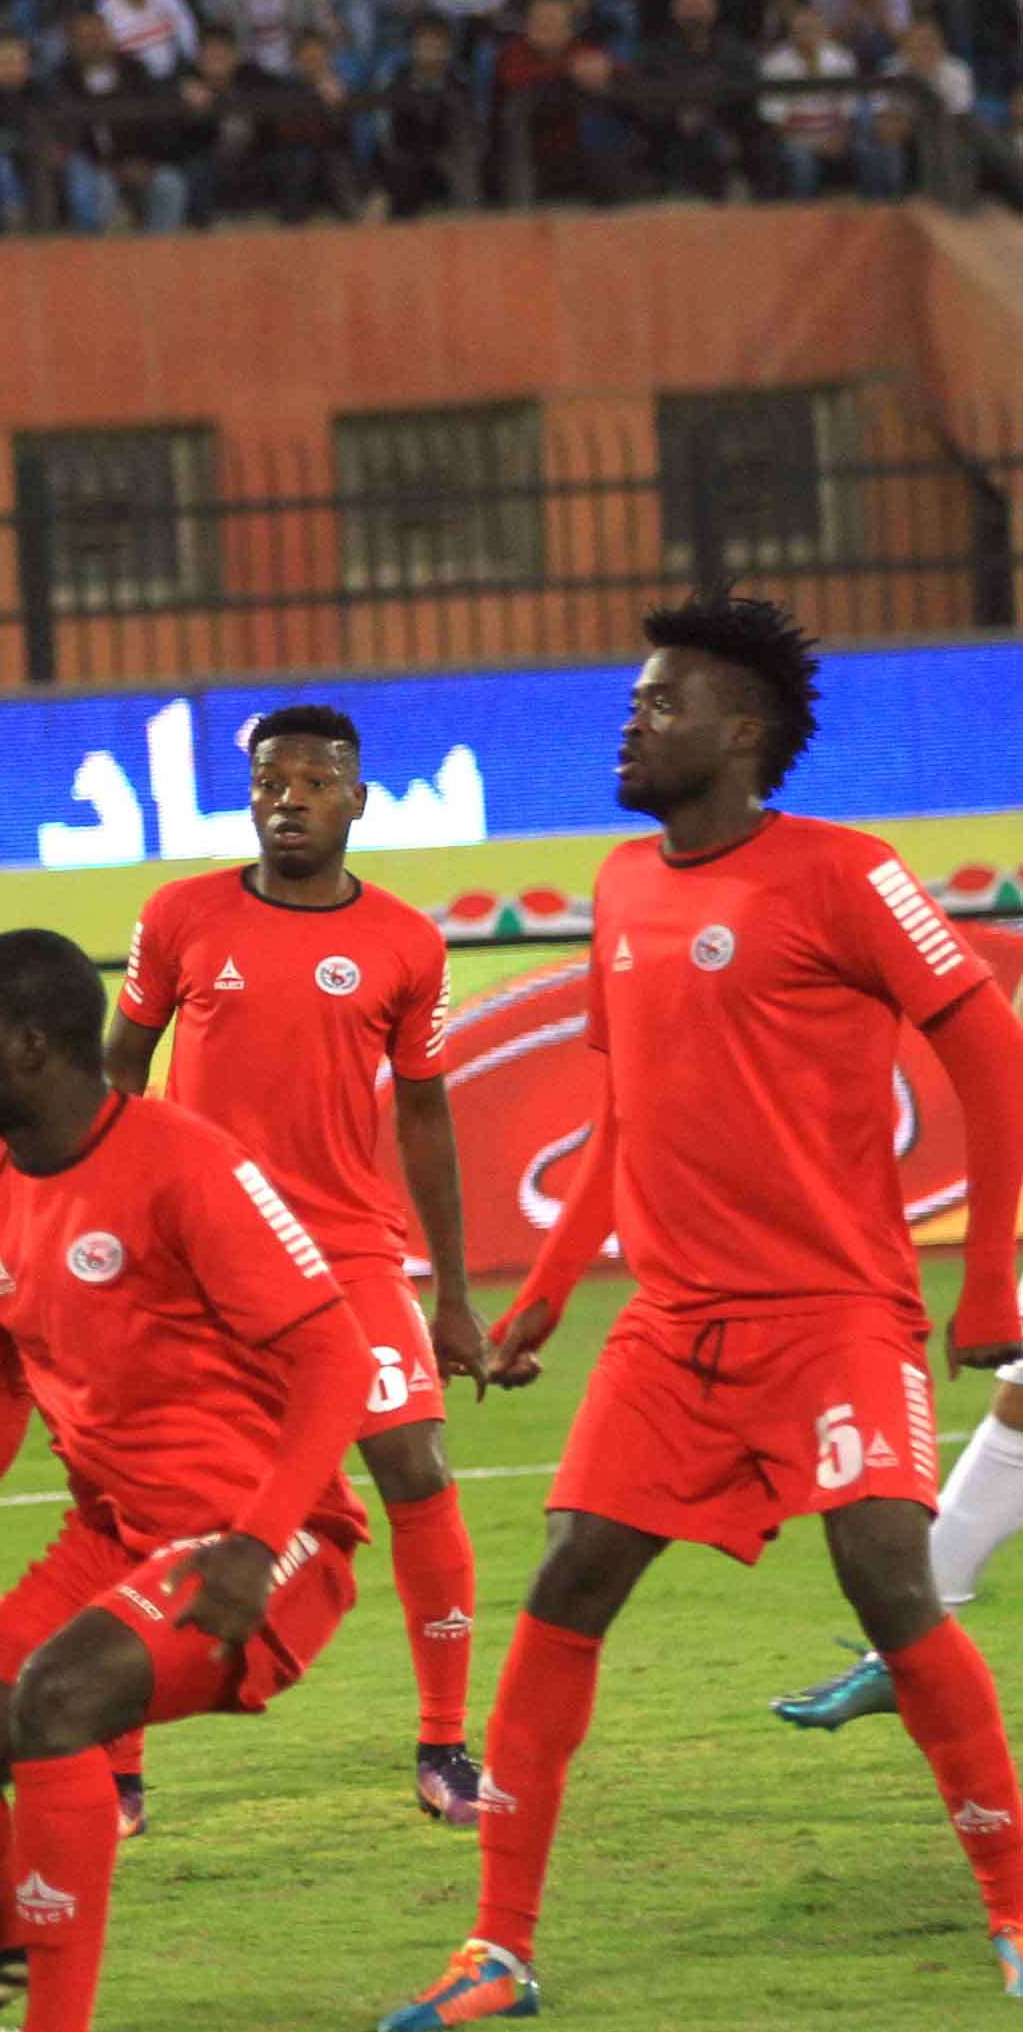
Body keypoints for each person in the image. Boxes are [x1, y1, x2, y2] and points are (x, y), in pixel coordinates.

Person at [382, 594, 1023, 2028]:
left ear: (739, 733)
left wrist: (984, 1277)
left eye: (658, 702)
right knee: (564, 1583)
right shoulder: (618, 883)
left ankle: (1010, 1908)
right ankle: (497, 1947)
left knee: (882, 1572)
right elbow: (620, 1110)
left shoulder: (847, 875)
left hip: (835, 1311)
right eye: (630, 698)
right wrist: (544, 1290)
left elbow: (991, 1049)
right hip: (671, 1323)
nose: (631, 718)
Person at [0, 928, 375, 2032]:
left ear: (34, 1046)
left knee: (58, 1700)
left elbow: (334, 1356)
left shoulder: (186, 1165)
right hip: (115, 1535)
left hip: (265, 1537)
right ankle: (12, 1939)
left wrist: (257, 1538)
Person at [102, 705, 486, 1841]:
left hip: (349, 1253)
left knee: (413, 1462)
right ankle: (117, 1769)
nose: (292, 795)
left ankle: (445, 1744)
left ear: (358, 799)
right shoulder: (180, 916)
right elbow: (121, 1070)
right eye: (273, 779)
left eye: (318, 779)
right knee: (150, 1495)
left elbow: (425, 1116)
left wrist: (454, 1290)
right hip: (197, 1254)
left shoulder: (407, 942)